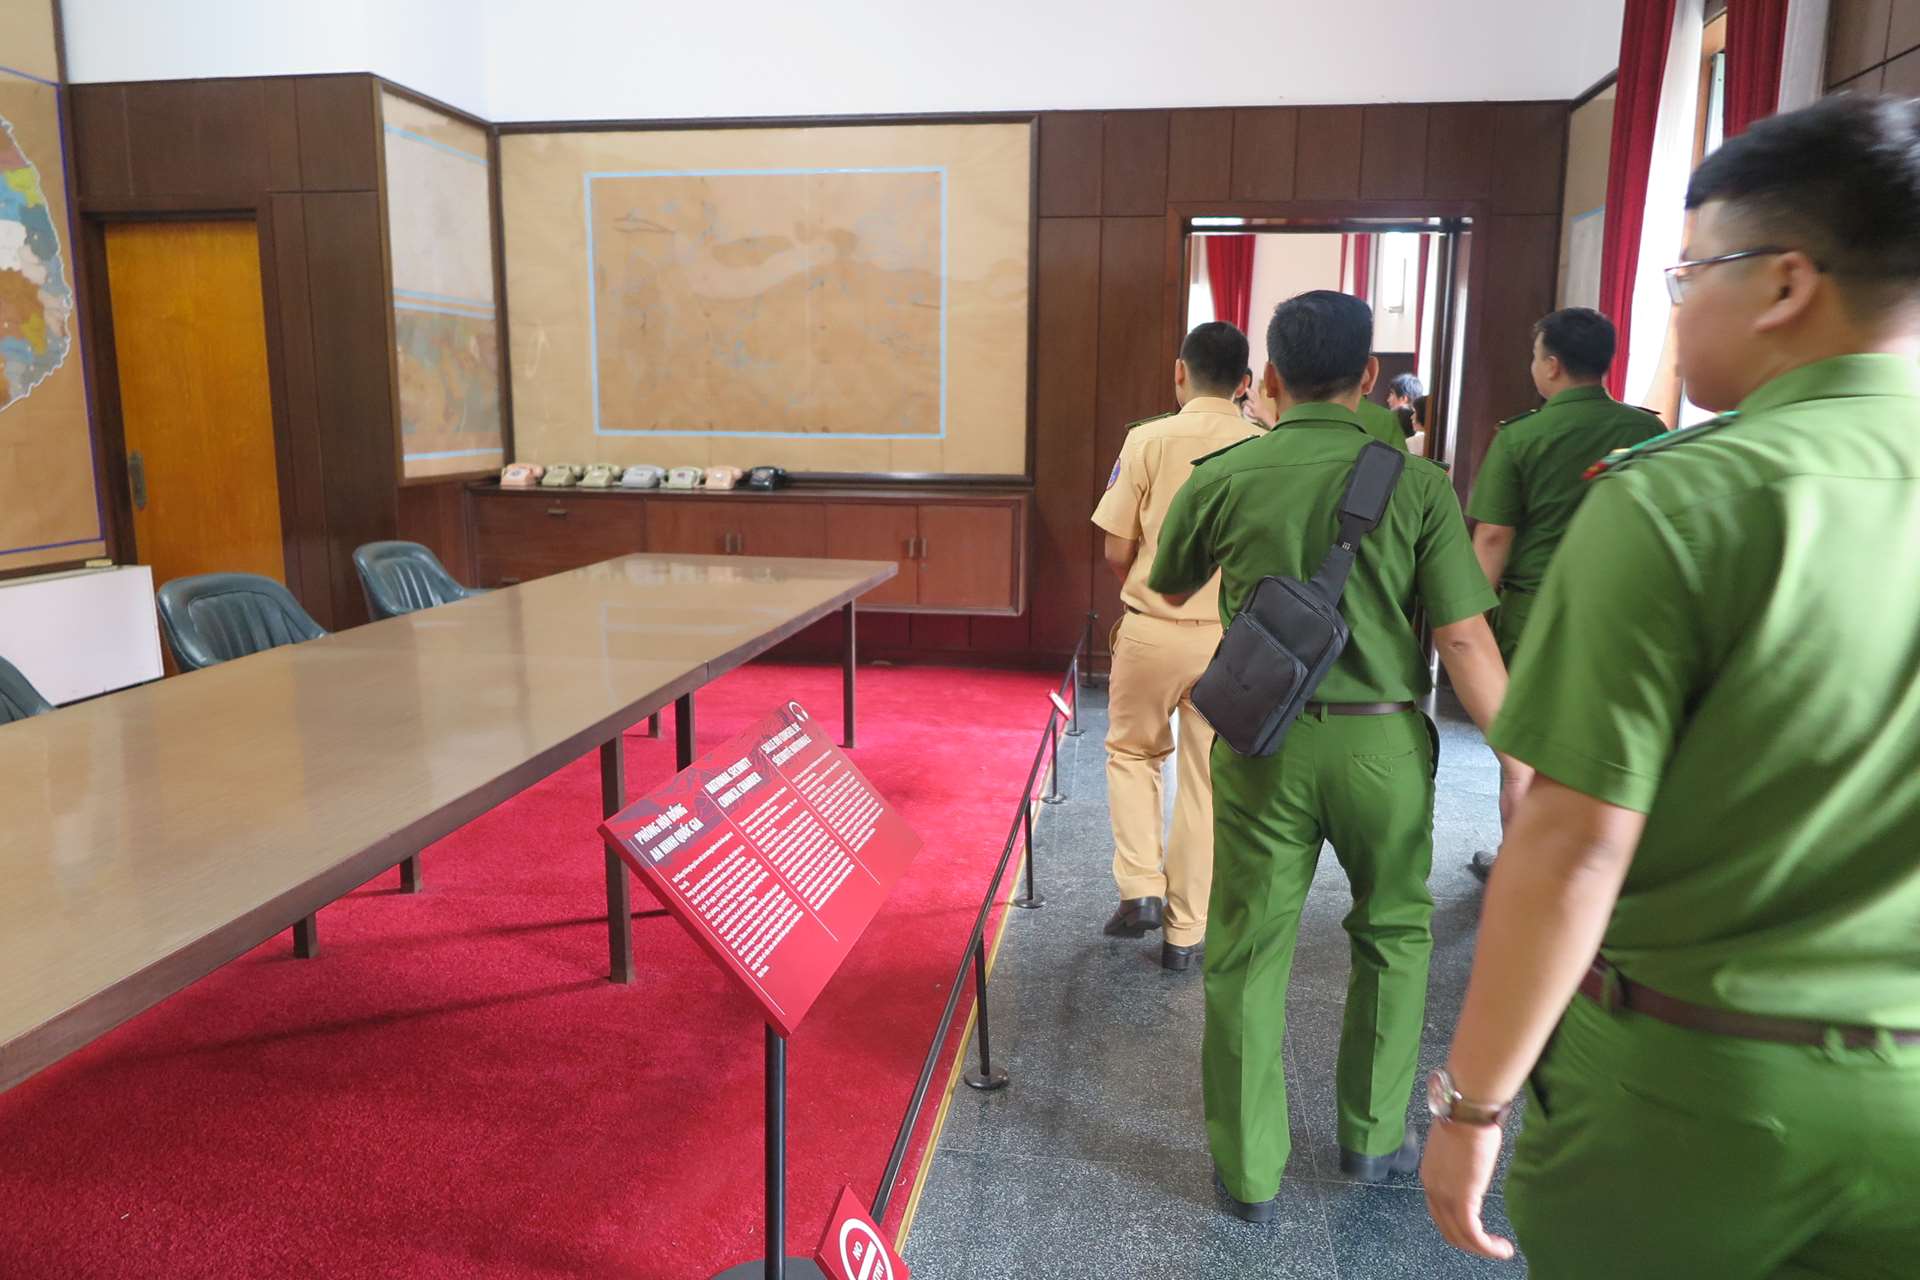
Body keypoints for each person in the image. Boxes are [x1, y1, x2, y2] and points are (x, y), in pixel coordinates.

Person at [1421, 94, 1920, 1277]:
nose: (1678, 303)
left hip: (1695, 1091)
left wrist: (1474, 1103)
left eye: (1690, 272)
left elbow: (1575, 845)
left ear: (1786, 282)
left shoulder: (1682, 495)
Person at [1150, 291, 1528, 1222]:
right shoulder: (1418, 484)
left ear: (1271, 377)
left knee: (1247, 948)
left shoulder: (1227, 470)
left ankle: (1249, 1174)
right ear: (1368, 375)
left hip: (1264, 740)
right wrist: (1519, 764)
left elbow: (1170, 584)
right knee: (1394, 935)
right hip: (1382, 743)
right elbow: (1465, 639)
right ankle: (1371, 1138)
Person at [1460, 307, 1664, 882]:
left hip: (1536, 615)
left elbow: (1493, 538)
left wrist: (1470, 622)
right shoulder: (1648, 432)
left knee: (1525, 753)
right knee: (1604, 747)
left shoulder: (1521, 436)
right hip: (1623, 613)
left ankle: (1521, 869)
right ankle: (1597, 864)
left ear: (1551, 365)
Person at [1090, 321, 1260, 970]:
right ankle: (1185, 935)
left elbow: (1116, 547)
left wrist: (1147, 592)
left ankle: (1141, 886)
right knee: (1206, 781)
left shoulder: (1147, 439)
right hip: (1231, 641)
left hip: (1152, 628)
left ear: (1180, 372)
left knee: (1133, 753)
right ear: (1245, 383)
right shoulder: (1263, 445)